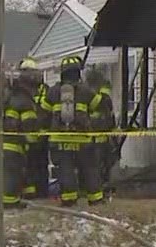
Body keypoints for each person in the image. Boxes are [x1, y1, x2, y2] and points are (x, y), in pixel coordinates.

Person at [40, 56, 112, 206]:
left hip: (59, 141)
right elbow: (102, 106)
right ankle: (96, 199)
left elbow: (43, 115)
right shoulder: (85, 91)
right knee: (90, 169)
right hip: (83, 140)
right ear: (77, 73)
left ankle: (68, 200)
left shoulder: (53, 92)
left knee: (65, 171)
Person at [0, 66, 41, 207]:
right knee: (12, 176)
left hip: (1, 143)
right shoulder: (25, 102)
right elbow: (29, 130)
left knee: (8, 175)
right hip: (14, 146)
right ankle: (9, 205)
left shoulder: (11, 97)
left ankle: (16, 200)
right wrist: (36, 139)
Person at [81, 63, 117, 205]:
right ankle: (98, 190)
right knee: (97, 167)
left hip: (97, 138)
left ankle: (100, 189)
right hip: (98, 138)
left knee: (97, 166)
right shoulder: (101, 95)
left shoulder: (96, 96)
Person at [19, 58, 49, 200]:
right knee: (28, 164)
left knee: (39, 165)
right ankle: (31, 193)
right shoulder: (21, 92)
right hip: (26, 134)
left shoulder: (44, 91)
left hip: (41, 135)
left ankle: (41, 192)